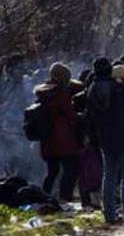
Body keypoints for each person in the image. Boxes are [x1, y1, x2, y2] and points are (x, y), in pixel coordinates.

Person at [87, 57, 124, 224]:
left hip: (105, 138)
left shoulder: (91, 90)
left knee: (109, 177)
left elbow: (90, 117)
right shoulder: (119, 88)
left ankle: (109, 215)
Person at [35, 63, 82, 201]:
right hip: (63, 138)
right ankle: (65, 198)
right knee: (70, 170)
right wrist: (84, 116)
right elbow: (71, 115)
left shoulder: (43, 92)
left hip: (47, 139)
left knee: (52, 172)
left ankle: (43, 198)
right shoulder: (60, 94)